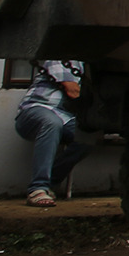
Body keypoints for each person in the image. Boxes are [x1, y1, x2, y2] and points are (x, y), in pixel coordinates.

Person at [13, 60, 91, 206]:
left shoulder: (88, 64)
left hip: (66, 117)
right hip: (37, 109)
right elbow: (72, 90)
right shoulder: (60, 58)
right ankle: (38, 188)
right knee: (52, 123)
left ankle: (49, 183)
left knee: (89, 136)